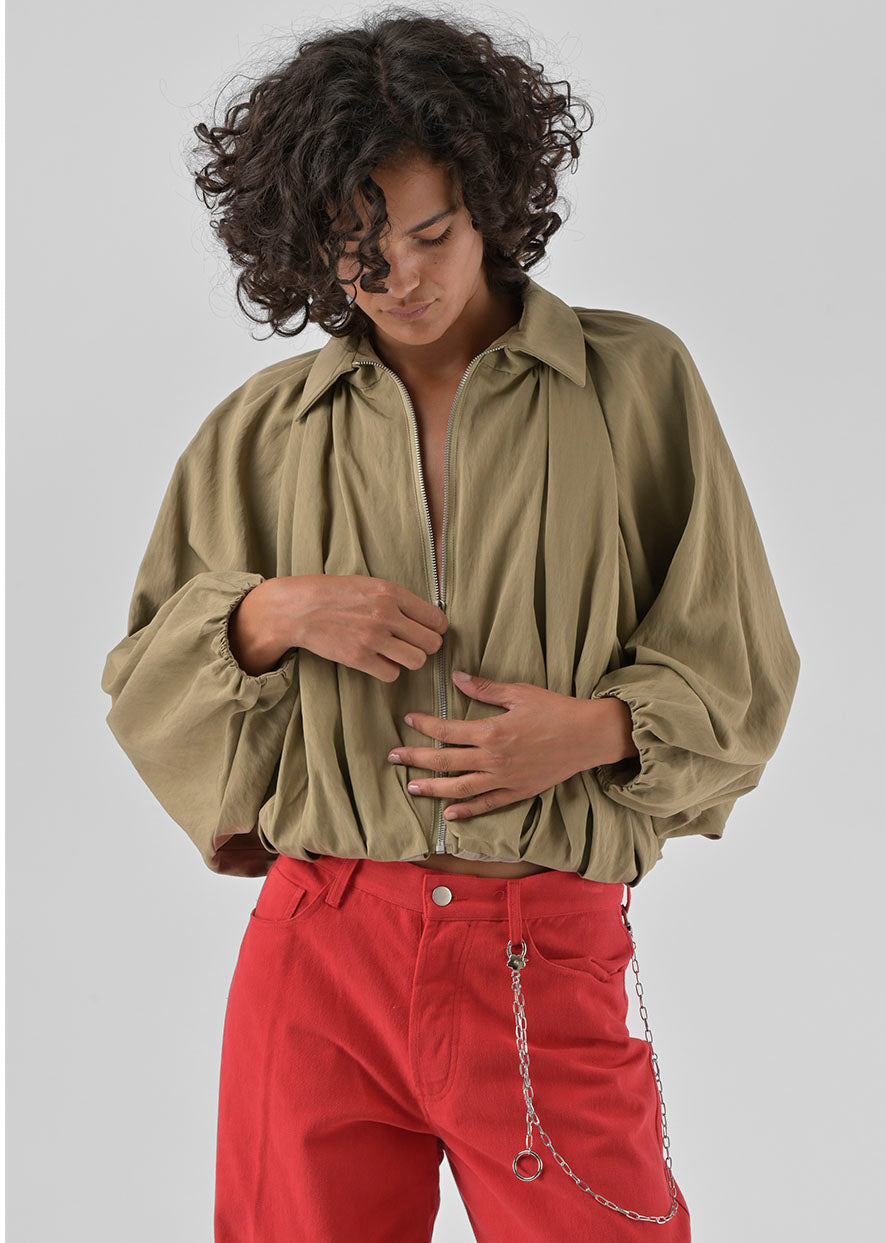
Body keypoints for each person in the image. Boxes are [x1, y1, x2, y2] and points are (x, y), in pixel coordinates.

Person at [101, 9, 800, 1241]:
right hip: (319, 952)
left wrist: (592, 731)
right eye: (358, 252)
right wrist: (269, 613)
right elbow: (145, 683)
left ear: (491, 202)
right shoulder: (263, 430)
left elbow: (738, 665)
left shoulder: (634, 386)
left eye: (432, 234)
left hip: (540, 947)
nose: (402, 280)